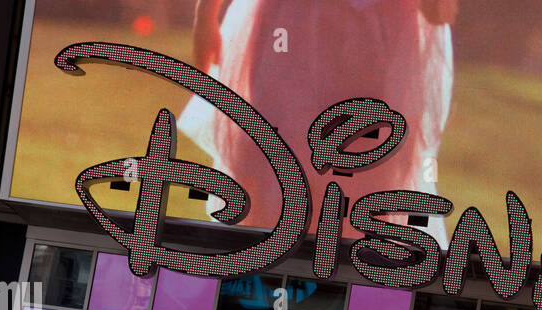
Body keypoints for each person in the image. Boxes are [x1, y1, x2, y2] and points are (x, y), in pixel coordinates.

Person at [182, 0, 457, 240]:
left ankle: (340, 282)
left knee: (363, 181)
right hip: (291, 23)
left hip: (378, 28)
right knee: (277, 163)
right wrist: (206, 11)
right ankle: (269, 275)